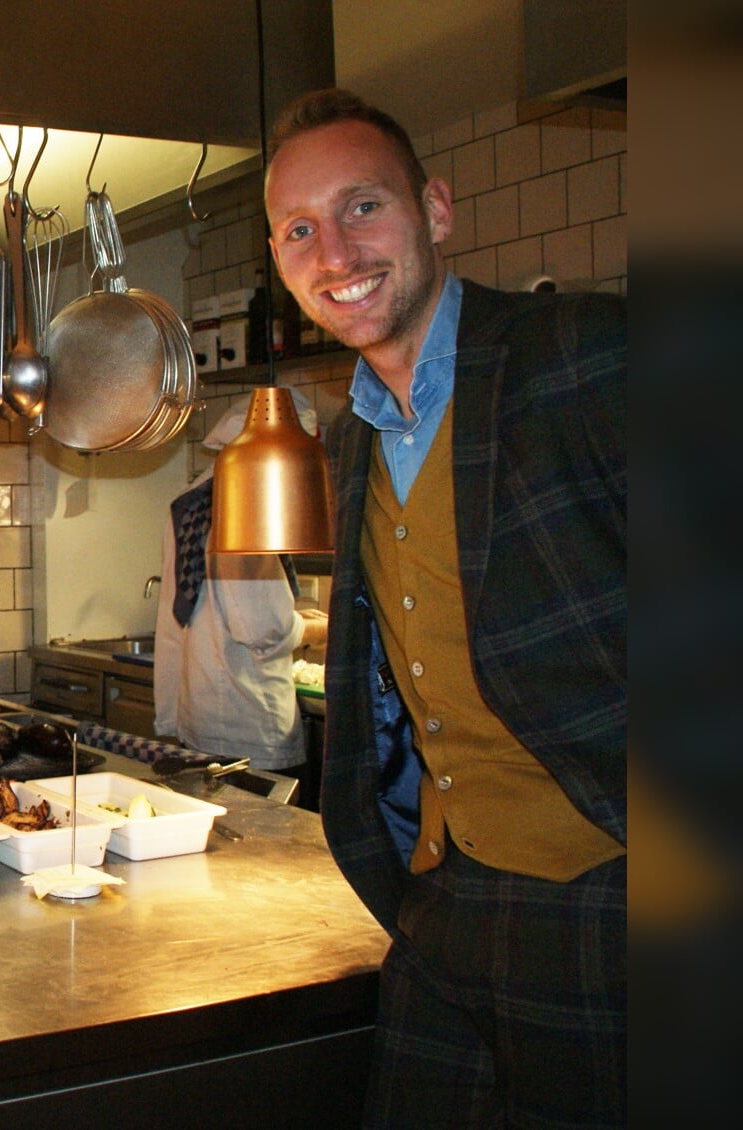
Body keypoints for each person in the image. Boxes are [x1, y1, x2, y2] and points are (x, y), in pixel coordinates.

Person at [265, 89, 625, 1126]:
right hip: (441, 900)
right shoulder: (353, 437)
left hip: (605, 895)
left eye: (362, 207)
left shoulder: (579, 353)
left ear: (434, 209)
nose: (334, 251)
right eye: (300, 231)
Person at [153, 392, 328, 778]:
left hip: (200, 717)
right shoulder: (246, 501)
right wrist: (316, 627)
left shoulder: (193, 500)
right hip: (252, 725)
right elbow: (262, 627)